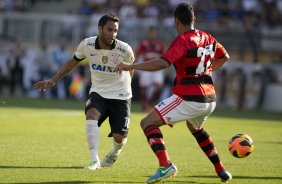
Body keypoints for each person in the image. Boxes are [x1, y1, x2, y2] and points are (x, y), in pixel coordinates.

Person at [115, 3, 232, 184]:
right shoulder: (208, 37)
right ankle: (221, 169)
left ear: (176, 21)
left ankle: (165, 165)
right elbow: (224, 56)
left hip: (189, 98)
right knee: (196, 128)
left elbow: (163, 63)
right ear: (194, 19)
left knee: (147, 123)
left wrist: (131, 66)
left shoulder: (183, 40)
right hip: (209, 100)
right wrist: (206, 73)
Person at [34, 14, 135, 170]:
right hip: (98, 92)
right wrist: (53, 80)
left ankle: (115, 151)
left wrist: (128, 85)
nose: (113, 34)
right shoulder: (87, 44)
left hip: (121, 94)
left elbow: (131, 66)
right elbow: (71, 63)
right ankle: (94, 161)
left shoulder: (124, 49)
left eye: (115, 30)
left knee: (119, 138)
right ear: (100, 29)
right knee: (91, 114)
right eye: (109, 29)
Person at [135, 26, 165, 112]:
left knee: (159, 87)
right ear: (149, 33)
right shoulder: (144, 43)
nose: (152, 34)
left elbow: (164, 57)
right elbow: (137, 54)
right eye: (151, 33)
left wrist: (166, 70)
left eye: (154, 33)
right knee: (144, 88)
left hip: (157, 68)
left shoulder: (160, 44)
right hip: (146, 68)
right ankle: (143, 106)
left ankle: (150, 103)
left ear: (156, 34)